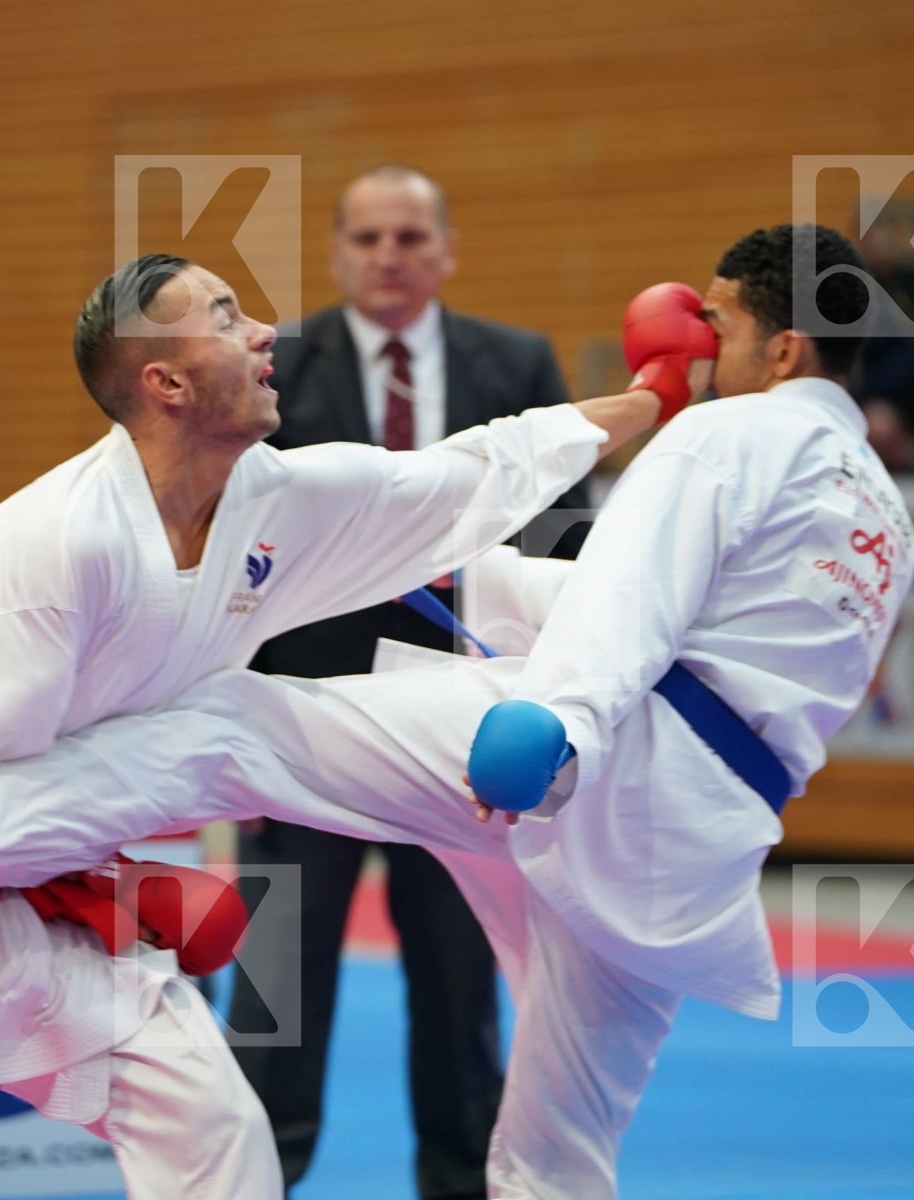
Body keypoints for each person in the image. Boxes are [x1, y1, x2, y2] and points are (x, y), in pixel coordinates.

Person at [0, 224, 913, 1198]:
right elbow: (713, 644)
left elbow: (635, 599)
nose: (693, 333)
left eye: (714, 318)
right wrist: (477, 585)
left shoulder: (730, 436)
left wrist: (564, 723)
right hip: (695, 845)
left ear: (781, 350)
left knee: (233, 726)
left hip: (596, 758)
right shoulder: (883, 515)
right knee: (555, 1153)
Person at [0, 253, 685, 1200]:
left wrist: (651, 400)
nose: (266, 333)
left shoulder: (271, 499)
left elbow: (462, 478)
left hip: (67, 895)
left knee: (219, 1141)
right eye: (225, 317)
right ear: (163, 382)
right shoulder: (47, 552)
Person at [229, 165, 583, 1199]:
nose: (390, 255)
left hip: (464, 731)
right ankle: (252, 1178)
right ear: (340, 253)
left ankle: (460, 1184)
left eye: (409, 238)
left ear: (446, 251)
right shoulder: (274, 363)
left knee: (460, 991)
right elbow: (229, 542)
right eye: (370, 238)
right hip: (297, 719)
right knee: (276, 990)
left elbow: (568, 535)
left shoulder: (515, 364)